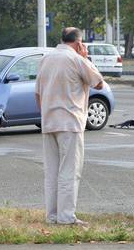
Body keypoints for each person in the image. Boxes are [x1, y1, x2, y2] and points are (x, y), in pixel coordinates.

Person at [35, 27, 104, 225]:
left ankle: (52, 215)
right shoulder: (76, 59)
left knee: (52, 172)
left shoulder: (46, 59)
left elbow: (37, 94)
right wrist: (85, 57)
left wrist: (45, 115)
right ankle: (66, 216)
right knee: (69, 171)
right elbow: (98, 83)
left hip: (48, 122)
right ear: (79, 43)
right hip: (70, 122)